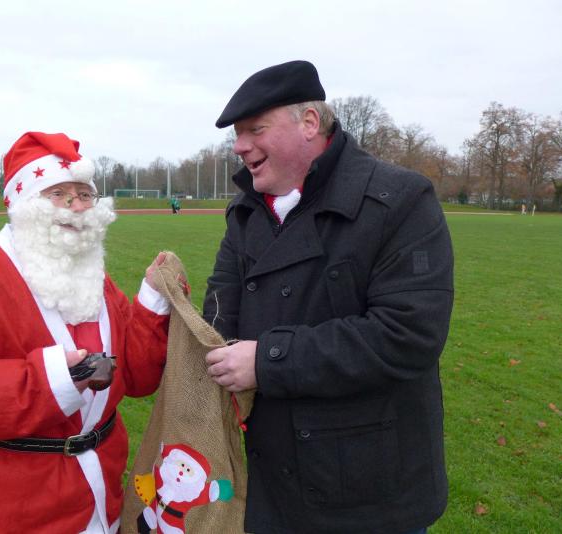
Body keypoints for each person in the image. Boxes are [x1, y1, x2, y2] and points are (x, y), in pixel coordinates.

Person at [202, 61, 454, 534]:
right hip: (268, 484)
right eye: (237, 135)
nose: (239, 146)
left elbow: (408, 334)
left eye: (255, 129)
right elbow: (219, 312)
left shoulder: (399, 199)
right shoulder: (245, 211)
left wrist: (267, 361)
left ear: (309, 122)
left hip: (367, 491)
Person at [0, 131, 173, 533]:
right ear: (25, 202)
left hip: (103, 495)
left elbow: (138, 378)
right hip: (13, 508)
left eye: (85, 194)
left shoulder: (97, 278)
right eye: (59, 194)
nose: (78, 207)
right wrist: (48, 381)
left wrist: (151, 304)